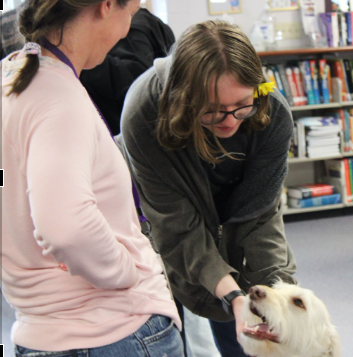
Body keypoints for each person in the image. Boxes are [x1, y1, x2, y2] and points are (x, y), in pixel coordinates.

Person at [1, 0, 184, 355]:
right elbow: (67, 228)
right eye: (129, 15)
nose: (126, 30)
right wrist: (125, 272)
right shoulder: (57, 96)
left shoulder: (13, 77)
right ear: (106, 7)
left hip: (42, 329)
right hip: (112, 332)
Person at [116, 20, 297, 356]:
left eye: (242, 105)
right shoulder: (144, 112)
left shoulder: (272, 112)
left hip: (231, 205)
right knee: (173, 323)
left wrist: (273, 296)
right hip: (158, 219)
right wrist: (230, 294)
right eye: (212, 111)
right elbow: (176, 227)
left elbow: (259, 216)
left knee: (252, 328)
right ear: (184, 100)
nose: (230, 121)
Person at [79, 7, 175, 135]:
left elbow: (136, 83)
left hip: (134, 134)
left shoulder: (130, 29)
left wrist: (80, 61)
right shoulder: (150, 22)